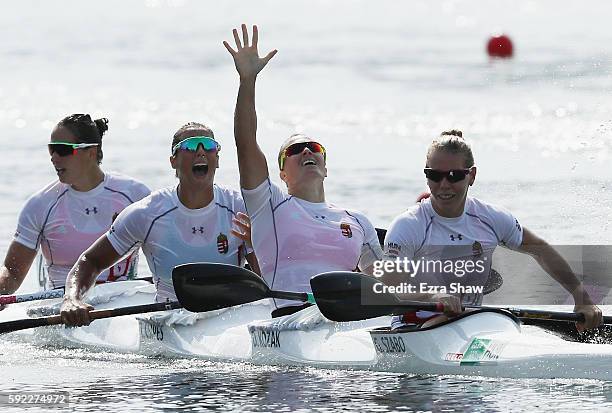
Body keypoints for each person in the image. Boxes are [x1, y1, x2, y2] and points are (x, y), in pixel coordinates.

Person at [224, 24, 383, 317]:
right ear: (282, 174)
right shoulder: (269, 205)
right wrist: (248, 81)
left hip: (344, 321)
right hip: (289, 319)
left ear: (325, 166)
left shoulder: (358, 221)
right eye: (294, 151)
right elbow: (245, 143)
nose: (306, 151)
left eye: (313, 147)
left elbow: (384, 281)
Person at [381, 130, 602, 331]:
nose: (443, 185)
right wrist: (433, 295)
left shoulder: (490, 218)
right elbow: (389, 290)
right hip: (414, 326)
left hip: (472, 323)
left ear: (472, 176)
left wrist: (582, 297)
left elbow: (541, 250)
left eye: (454, 176)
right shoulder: (408, 225)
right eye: (434, 175)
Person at [60, 122, 258, 326]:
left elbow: (269, 278)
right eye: (190, 146)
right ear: (173, 161)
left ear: (217, 159)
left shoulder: (240, 208)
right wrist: (72, 299)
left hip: (230, 320)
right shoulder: (146, 214)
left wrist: (258, 244)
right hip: (169, 320)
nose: (200, 152)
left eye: (208, 145)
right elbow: (90, 261)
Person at [0, 114, 150, 305]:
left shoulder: (135, 195)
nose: (54, 158)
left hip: (121, 301)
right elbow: (12, 272)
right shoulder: (40, 205)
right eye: (51, 149)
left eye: (62, 150)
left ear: (91, 152)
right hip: (61, 305)